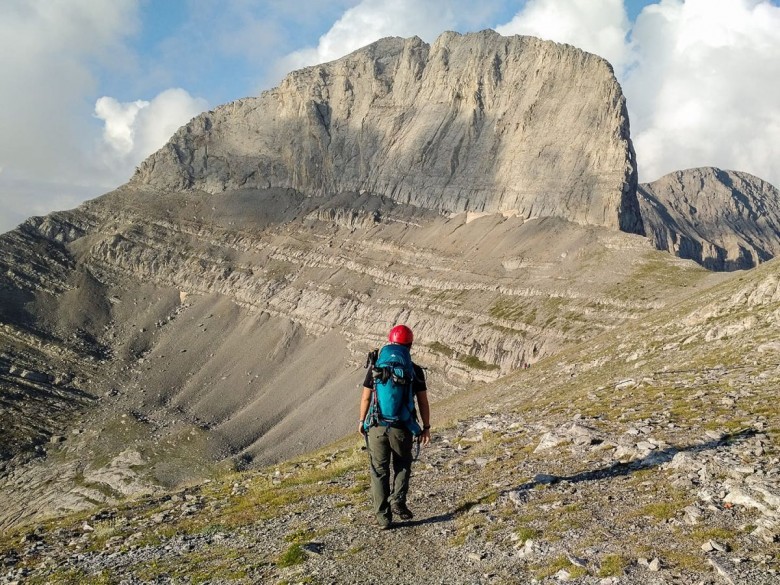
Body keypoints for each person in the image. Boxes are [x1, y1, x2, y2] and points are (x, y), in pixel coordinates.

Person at [359, 324, 431, 529]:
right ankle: (398, 499)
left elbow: (366, 398)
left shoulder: (377, 367)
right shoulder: (413, 370)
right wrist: (425, 427)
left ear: (390, 342)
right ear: (410, 345)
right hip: (402, 427)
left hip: (376, 426)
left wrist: (361, 421)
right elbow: (423, 401)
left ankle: (383, 518)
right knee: (403, 465)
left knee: (379, 471)